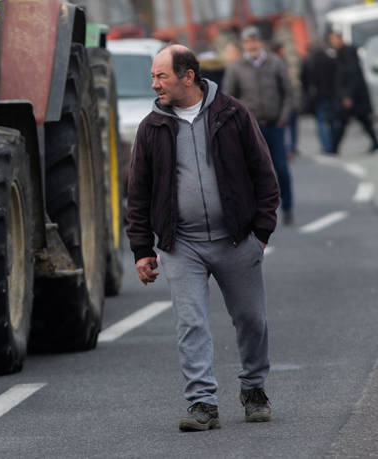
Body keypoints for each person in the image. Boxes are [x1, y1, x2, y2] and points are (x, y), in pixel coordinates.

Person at [126, 44, 279, 432]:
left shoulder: (233, 115)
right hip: (183, 246)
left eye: (161, 76)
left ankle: (254, 389)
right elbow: (138, 194)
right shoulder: (152, 127)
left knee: (251, 320)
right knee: (190, 323)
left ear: (188, 77)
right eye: (153, 76)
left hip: (236, 240)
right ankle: (202, 403)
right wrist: (143, 249)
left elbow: (264, 175)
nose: (154, 84)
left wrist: (260, 233)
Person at [222, 26, 294, 225]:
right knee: (252, 171)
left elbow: (288, 93)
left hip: (274, 125)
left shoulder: (276, 63)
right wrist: (237, 124)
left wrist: (283, 119)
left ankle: (287, 206)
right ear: (244, 45)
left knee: (280, 167)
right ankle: (258, 213)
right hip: (250, 129)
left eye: (254, 40)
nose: (251, 45)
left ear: (260, 42)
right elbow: (228, 98)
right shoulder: (236, 68)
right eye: (247, 41)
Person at [328, 31, 378, 154]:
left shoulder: (347, 53)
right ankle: (334, 148)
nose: (332, 43)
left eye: (333, 40)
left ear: (340, 39)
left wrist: (348, 96)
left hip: (354, 97)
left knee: (348, 121)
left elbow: (352, 75)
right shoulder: (341, 54)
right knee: (357, 121)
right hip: (351, 96)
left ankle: (334, 148)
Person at [300, 41, 338, 154]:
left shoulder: (308, 61)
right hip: (331, 94)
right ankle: (332, 144)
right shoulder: (330, 58)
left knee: (321, 121)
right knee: (332, 120)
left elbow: (304, 79)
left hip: (317, 95)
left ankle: (326, 146)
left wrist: (307, 93)